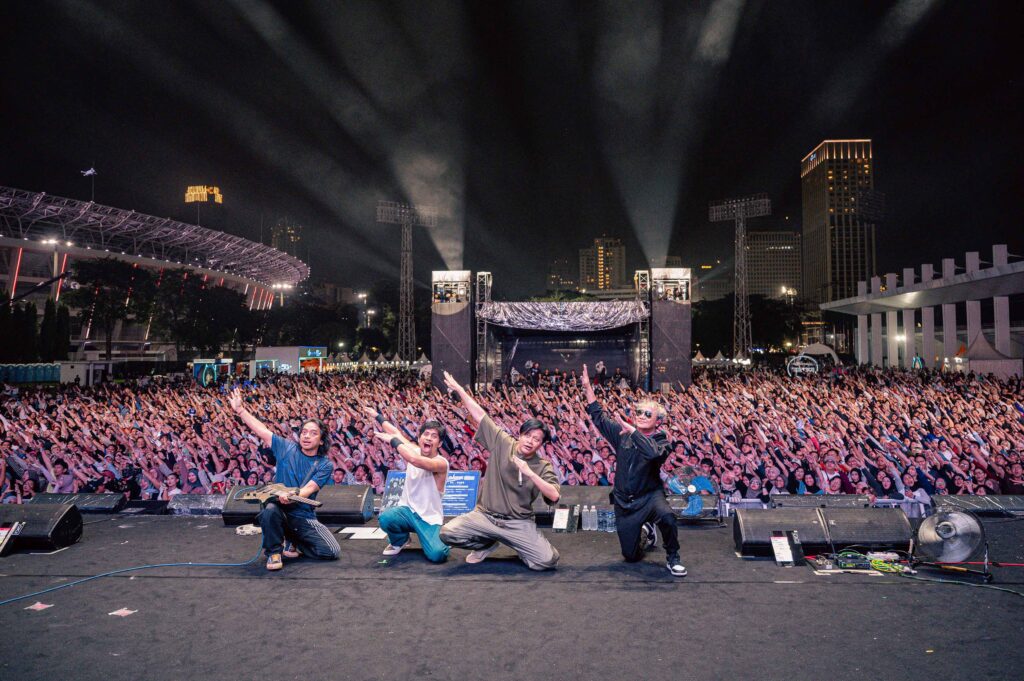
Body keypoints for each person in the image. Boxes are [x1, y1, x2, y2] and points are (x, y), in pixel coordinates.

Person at [438, 371, 561, 570]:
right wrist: (460, 390)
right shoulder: (503, 443)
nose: (530, 441)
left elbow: (554, 496)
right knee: (448, 533)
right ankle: (486, 543)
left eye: (536, 439)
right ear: (520, 435)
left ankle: (522, 547)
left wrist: (530, 472)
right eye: (528, 435)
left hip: (518, 523)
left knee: (547, 561)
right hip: (485, 516)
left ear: (541, 445)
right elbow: (480, 416)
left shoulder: (543, 466)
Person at [582, 364, 686, 577]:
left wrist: (633, 431)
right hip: (625, 502)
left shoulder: (662, 440)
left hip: (649, 497)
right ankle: (646, 533)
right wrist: (587, 388)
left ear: (658, 421)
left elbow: (652, 454)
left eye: (647, 413)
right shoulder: (623, 435)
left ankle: (673, 557)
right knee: (630, 555)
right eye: (638, 411)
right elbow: (599, 417)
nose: (641, 415)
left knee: (667, 517)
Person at [227, 388, 339, 571]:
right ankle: (273, 552)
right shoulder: (286, 448)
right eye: (304, 432)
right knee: (269, 510)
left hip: (303, 515)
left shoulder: (324, 464)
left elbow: (308, 490)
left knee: (331, 551)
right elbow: (261, 430)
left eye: (313, 433)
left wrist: (292, 494)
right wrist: (240, 410)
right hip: (279, 510)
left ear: (321, 440)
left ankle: (293, 540)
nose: (306, 436)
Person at [367, 408, 450, 563]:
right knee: (385, 518)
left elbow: (414, 460)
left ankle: (443, 538)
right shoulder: (414, 449)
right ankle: (401, 540)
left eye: (434, 436)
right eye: (426, 434)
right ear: (419, 438)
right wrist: (377, 416)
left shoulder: (441, 463)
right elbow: (395, 432)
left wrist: (392, 440)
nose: (429, 438)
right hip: (407, 511)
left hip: (429, 519)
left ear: (440, 443)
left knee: (438, 555)